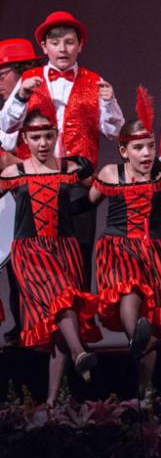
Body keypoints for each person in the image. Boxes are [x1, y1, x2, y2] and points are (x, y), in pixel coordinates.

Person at [0, 11, 125, 283]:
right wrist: (21, 96)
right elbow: (6, 127)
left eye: (69, 42)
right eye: (55, 43)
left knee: (78, 254)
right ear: (44, 47)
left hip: (77, 181)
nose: (63, 49)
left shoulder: (94, 81)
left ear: (81, 45)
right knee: (33, 255)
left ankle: (79, 320)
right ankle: (31, 323)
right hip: (35, 181)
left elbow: (115, 132)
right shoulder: (29, 79)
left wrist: (109, 102)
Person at [0, 101, 101, 405]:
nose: (42, 143)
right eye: (35, 137)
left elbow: (98, 190)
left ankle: (52, 403)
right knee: (63, 298)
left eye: (48, 136)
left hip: (63, 249)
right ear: (26, 140)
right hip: (30, 254)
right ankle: (80, 351)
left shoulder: (70, 168)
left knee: (60, 321)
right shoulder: (14, 173)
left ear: (56, 134)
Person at [88, 88, 161, 394]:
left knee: (152, 318)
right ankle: (135, 334)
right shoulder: (109, 173)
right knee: (128, 287)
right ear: (123, 151)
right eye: (139, 148)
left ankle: (145, 388)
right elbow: (88, 199)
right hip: (117, 247)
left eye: (151, 146)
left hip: (152, 250)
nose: (146, 154)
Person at [0, 38, 46, 345]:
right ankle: (22, 325)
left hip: (41, 190)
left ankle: (42, 326)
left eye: (2, 75)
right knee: (13, 265)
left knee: (39, 265)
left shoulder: (42, 105)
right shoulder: (5, 110)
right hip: (11, 192)